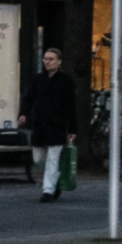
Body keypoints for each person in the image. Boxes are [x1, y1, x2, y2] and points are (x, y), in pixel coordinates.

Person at [18, 48, 78, 203]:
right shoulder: (39, 79)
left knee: (53, 158)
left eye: (51, 59)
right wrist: (23, 113)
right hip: (40, 124)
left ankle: (48, 190)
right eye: (45, 58)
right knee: (38, 158)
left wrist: (72, 128)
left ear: (59, 61)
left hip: (57, 124)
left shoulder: (66, 81)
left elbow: (71, 105)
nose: (48, 61)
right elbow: (29, 98)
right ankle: (54, 177)